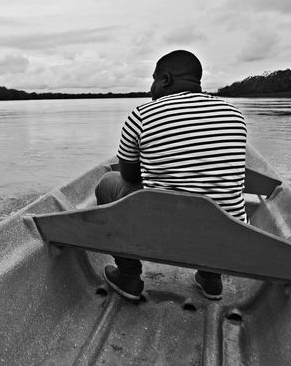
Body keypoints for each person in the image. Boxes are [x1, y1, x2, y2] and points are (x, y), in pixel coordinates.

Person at [96, 49, 247, 301]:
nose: (150, 87)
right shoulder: (234, 114)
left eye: (153, 79)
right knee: (216, 191)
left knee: (108, 182)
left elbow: (130, 177)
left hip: (166, 235)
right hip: (229, 239)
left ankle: (129, 276)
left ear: (165, 79)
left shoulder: (142, 114)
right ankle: (211, 278)